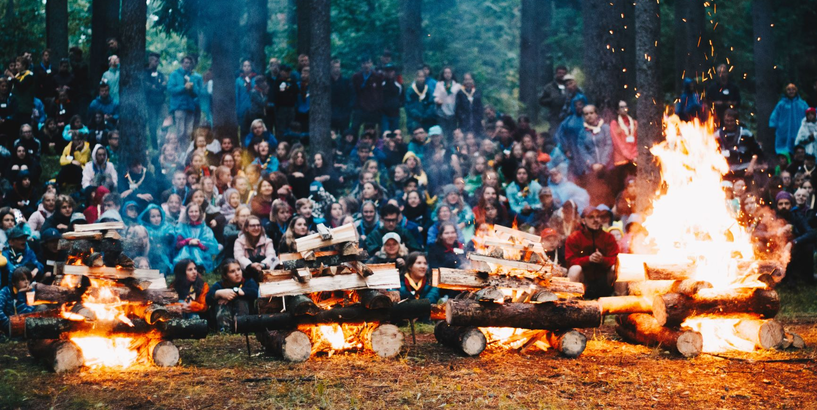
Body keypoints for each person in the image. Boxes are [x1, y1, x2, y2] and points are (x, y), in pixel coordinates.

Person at [565, 206, 619, 299]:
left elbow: (616, 259)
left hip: (604, 282)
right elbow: (570, 261)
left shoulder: (608, 238)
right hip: (584, 282)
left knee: (616, 268)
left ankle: (621, 302)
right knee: (575, 269)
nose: (596, 220)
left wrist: (603, 260)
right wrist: (588, 259)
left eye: (598, 216)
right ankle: (572, 302)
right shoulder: (574, 238)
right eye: (591, 217)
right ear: (583, 220)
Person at [206, 259, 259, 331]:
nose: (237, 273)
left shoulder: (247, 282)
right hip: (226, 316)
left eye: (238, 269)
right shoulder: (220, 285)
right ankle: (224, 329)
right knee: (221, 304)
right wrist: (219, 293)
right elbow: (208, 298)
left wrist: (236, 293)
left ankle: (242, 328)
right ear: (225, 276)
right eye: (232, 271)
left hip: (244, 315)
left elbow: (255, 292)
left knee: (242, 301)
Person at [577, 104, 614, 206]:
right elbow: (582, 150)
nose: (589, 116)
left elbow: (609, 144)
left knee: (610, 192)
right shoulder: (582, 132)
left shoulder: (605, 128)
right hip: (592, 169)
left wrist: (602, 163)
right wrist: (592, 164)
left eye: (591, 113)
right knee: (596, 194)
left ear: (596, 114)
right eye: (586, 114)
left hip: (607, 167)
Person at [715, 109, 763, 179]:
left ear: (736, 121)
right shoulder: (717, 135)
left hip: (744, 170)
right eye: (727, 121)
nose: (729, 123)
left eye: (731, 121)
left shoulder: (746, 134)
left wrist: (751, 166)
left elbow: (757, 152)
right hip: (724, 172)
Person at [173, 204, 219, 272]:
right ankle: (184, 266)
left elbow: (209, 245)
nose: (194, 214)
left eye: (196, 211)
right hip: (184, 251)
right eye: (191, 212)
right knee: (186, 249)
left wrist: (198, 244)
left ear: (200, 213)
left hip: (201, 253)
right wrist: (188, 241)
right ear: (187, 213)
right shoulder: (181, 226)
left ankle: (199, 265)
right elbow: (177, 244)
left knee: (195, 249)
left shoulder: (204, 228)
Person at [234, 215, 280, 280]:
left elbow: (271, 255)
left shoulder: (267, 240)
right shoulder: (239, 241)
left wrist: (262, 264)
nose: (256, 228)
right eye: (252, 226)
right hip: (247, 271)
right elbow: (239, 257)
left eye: (258, 225)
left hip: (264, 269)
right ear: (246, 228)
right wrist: (251, 265)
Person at [168, 56, 201, 141]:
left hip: (190, 107)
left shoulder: (192, 76)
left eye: (189, 63)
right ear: (182, 63)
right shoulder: (175, 74)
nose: (188, 65)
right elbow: (170, 89)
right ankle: (178, 152)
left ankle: (186, 153)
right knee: (180, 131)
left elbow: (197, 93)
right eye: (186, 62)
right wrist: (183, 87)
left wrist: (192, 89)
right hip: (179, 106)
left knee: (188, 132)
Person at [770, 83, 809, 155]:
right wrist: (773, 124)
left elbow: (809, 114)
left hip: (798, 129)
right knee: (784, 148)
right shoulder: (781, 104)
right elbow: (775, 114)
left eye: (793, 89)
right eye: (789, 90)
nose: (791, 91)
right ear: (786, 91)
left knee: (798, 145)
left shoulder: (802, 103)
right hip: (784, 130)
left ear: (796, 91)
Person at [349, 55, 383, 136]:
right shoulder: (356, 77)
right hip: (360, 108)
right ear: (361, 65)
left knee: (371, 130)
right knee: (354, 128)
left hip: (373, 108)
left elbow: (380, 93)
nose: (366, 65)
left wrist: (378, 105)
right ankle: (353, 145)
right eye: (364, 63)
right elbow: (353, 92)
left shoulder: (377, 76)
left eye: (368, 63)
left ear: (371, 64)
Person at [138, 204, 175, 275]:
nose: (156, 219)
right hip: (149, 256)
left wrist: (154, 239)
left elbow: (170, 238)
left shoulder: (167, 226)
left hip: (165, 256)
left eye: (158, 216)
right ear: (148, 218)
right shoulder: (145, 228)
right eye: (153, 216)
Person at [609, 100, 637, 190]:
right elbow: (617, 143)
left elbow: (636, 141)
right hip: (621, 159)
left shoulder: (634, 122)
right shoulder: (615, 124)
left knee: (635, 184)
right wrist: (629, 156)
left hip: (634, 158)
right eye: (621, 107)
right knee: (622, 186)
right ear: (617, 110)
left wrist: (634, 155)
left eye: (625, 106)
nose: (624, 109)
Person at [0, 267, 35, 337]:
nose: (26, 282)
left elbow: (26, 315)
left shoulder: (31, 293)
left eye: (28, 279)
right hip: (7, 327)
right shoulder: (5, 291)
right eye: (22, 279)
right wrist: (9, 325)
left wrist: (21, 296)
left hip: (24, 328)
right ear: (14, 282)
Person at [539, 65, 570, 132]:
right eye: (559, 73)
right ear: (556, 74)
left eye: (563, 73)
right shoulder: (549, 87)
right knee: (555, 134)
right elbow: (541, 101)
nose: (561, 75)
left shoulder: (569, 86)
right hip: (554, 116)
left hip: (568, 115)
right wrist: (552, 100)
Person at [433, 66, 460, 137]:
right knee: (443, 132)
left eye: (449, 73)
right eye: (445, 73)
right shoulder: (439, 84)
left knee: (452, 133)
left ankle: (456, 148)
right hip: (442, 113)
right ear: (443, 74)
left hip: (453, 112)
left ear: (452, 74)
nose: (447, 74)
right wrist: (438, 100)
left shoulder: (457, 85)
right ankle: (443, 147)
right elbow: (436, 96)